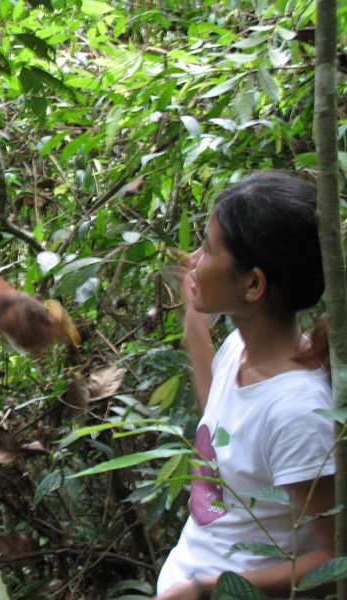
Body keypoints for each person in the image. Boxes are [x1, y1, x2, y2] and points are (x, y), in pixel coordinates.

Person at [154, 171, 336, 600]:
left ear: (252, 285)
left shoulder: (298, 414)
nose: (195, 259)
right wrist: (194, 326)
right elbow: (225, 433)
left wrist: (207, 590)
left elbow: (334, 557)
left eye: (208, 248)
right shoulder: (241, 346)